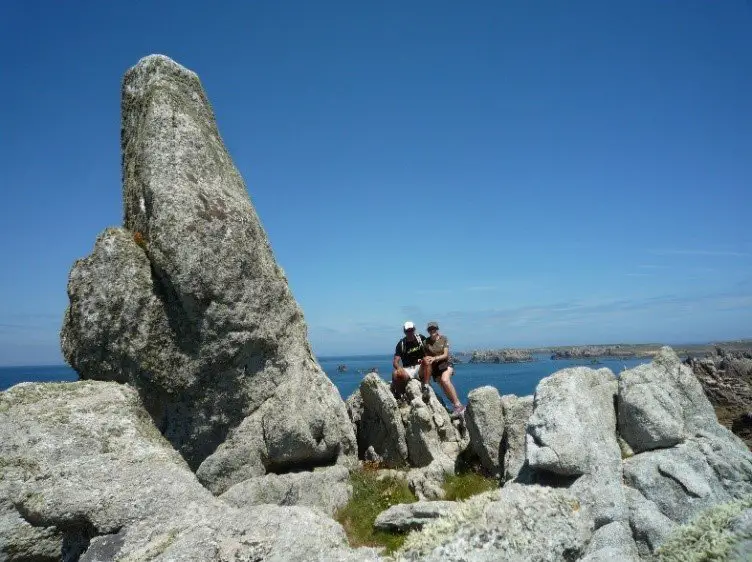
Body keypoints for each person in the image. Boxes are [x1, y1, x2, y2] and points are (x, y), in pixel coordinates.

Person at [422, 321, 465, 415]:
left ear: (437, 329)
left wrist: (435, 358)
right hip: (435, 368)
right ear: (428, 331)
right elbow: (426, 356)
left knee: (445, 380)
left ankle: (458, 405)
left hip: (446, 365)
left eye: (433, 328)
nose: (432, 330)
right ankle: (456, 406)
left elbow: (445, 355)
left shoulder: (443, 339)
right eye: (430, 329)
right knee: (444, 389)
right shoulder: (426, 342)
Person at [391, 321, 426, 398]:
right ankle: (400, 394)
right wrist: (399, 368)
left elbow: (430, 351)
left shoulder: (421, 339)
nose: (410, 332)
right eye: (407, 331)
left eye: (411, 330)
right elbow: (395, 361)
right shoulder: (401, 344)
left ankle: (425, 386)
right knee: (395, 374)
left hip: (420, 367)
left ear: (414, 329)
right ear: (404, 331)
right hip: (408, 369)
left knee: (427, 362)